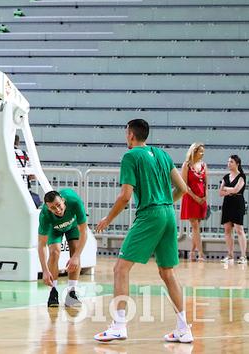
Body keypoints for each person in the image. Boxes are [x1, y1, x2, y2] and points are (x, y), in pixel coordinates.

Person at [94, 118, 193, 344]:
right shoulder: (162, 154)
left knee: (120, 268)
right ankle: (183, 329)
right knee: (167, 273)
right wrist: (166, 203)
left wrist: (108, 218)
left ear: (131, 135)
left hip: (150, 215)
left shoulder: (130, 156)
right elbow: (183, 189)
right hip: (168, 214)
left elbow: (125, 195)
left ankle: (119, 326)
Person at [37, 188, 87, 308]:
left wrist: (76, 257)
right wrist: (44, 270)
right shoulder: (45, 214)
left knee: (75, 250)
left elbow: (84, 232)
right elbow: (41, 244)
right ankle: (53, 292)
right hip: (54, 230)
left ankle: (72, 293)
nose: (58, 210)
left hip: (73, 226)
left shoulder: (74, 201)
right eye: (53, 208)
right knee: (54, 253)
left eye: (58, 205)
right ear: (48, 208)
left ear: (63, 201)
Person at [179, 142, 208, 262]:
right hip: (190, 198)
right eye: (200, 151)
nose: (202, 153)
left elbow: (205, 182)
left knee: (197, 226)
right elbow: (184, 184)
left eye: (203, 151)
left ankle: (192, 252)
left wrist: (205, 196)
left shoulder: (204, 165)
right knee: (195, 225)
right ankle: (201, 254)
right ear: (194, 151)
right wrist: (195, 197)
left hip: (201, 198)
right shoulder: (186, 165)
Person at [220, 154, 247, 265]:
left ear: (237, 164)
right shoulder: (226, 177)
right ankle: (230, 255)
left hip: (238, 203)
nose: (229, 163)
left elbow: (236, 190)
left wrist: (226, 189)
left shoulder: (242, 176)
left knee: (239, 229)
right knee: (227, 230)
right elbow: (220, 192)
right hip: (227, 203)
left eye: (231, 162)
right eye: (228, 161)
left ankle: (243, 256)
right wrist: (228, 190)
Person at [14, 133, 42, 208]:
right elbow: (32, 175)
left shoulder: (6, 154)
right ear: (18, 142)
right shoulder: (25, 154)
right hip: (24, 188)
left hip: (10, 188)